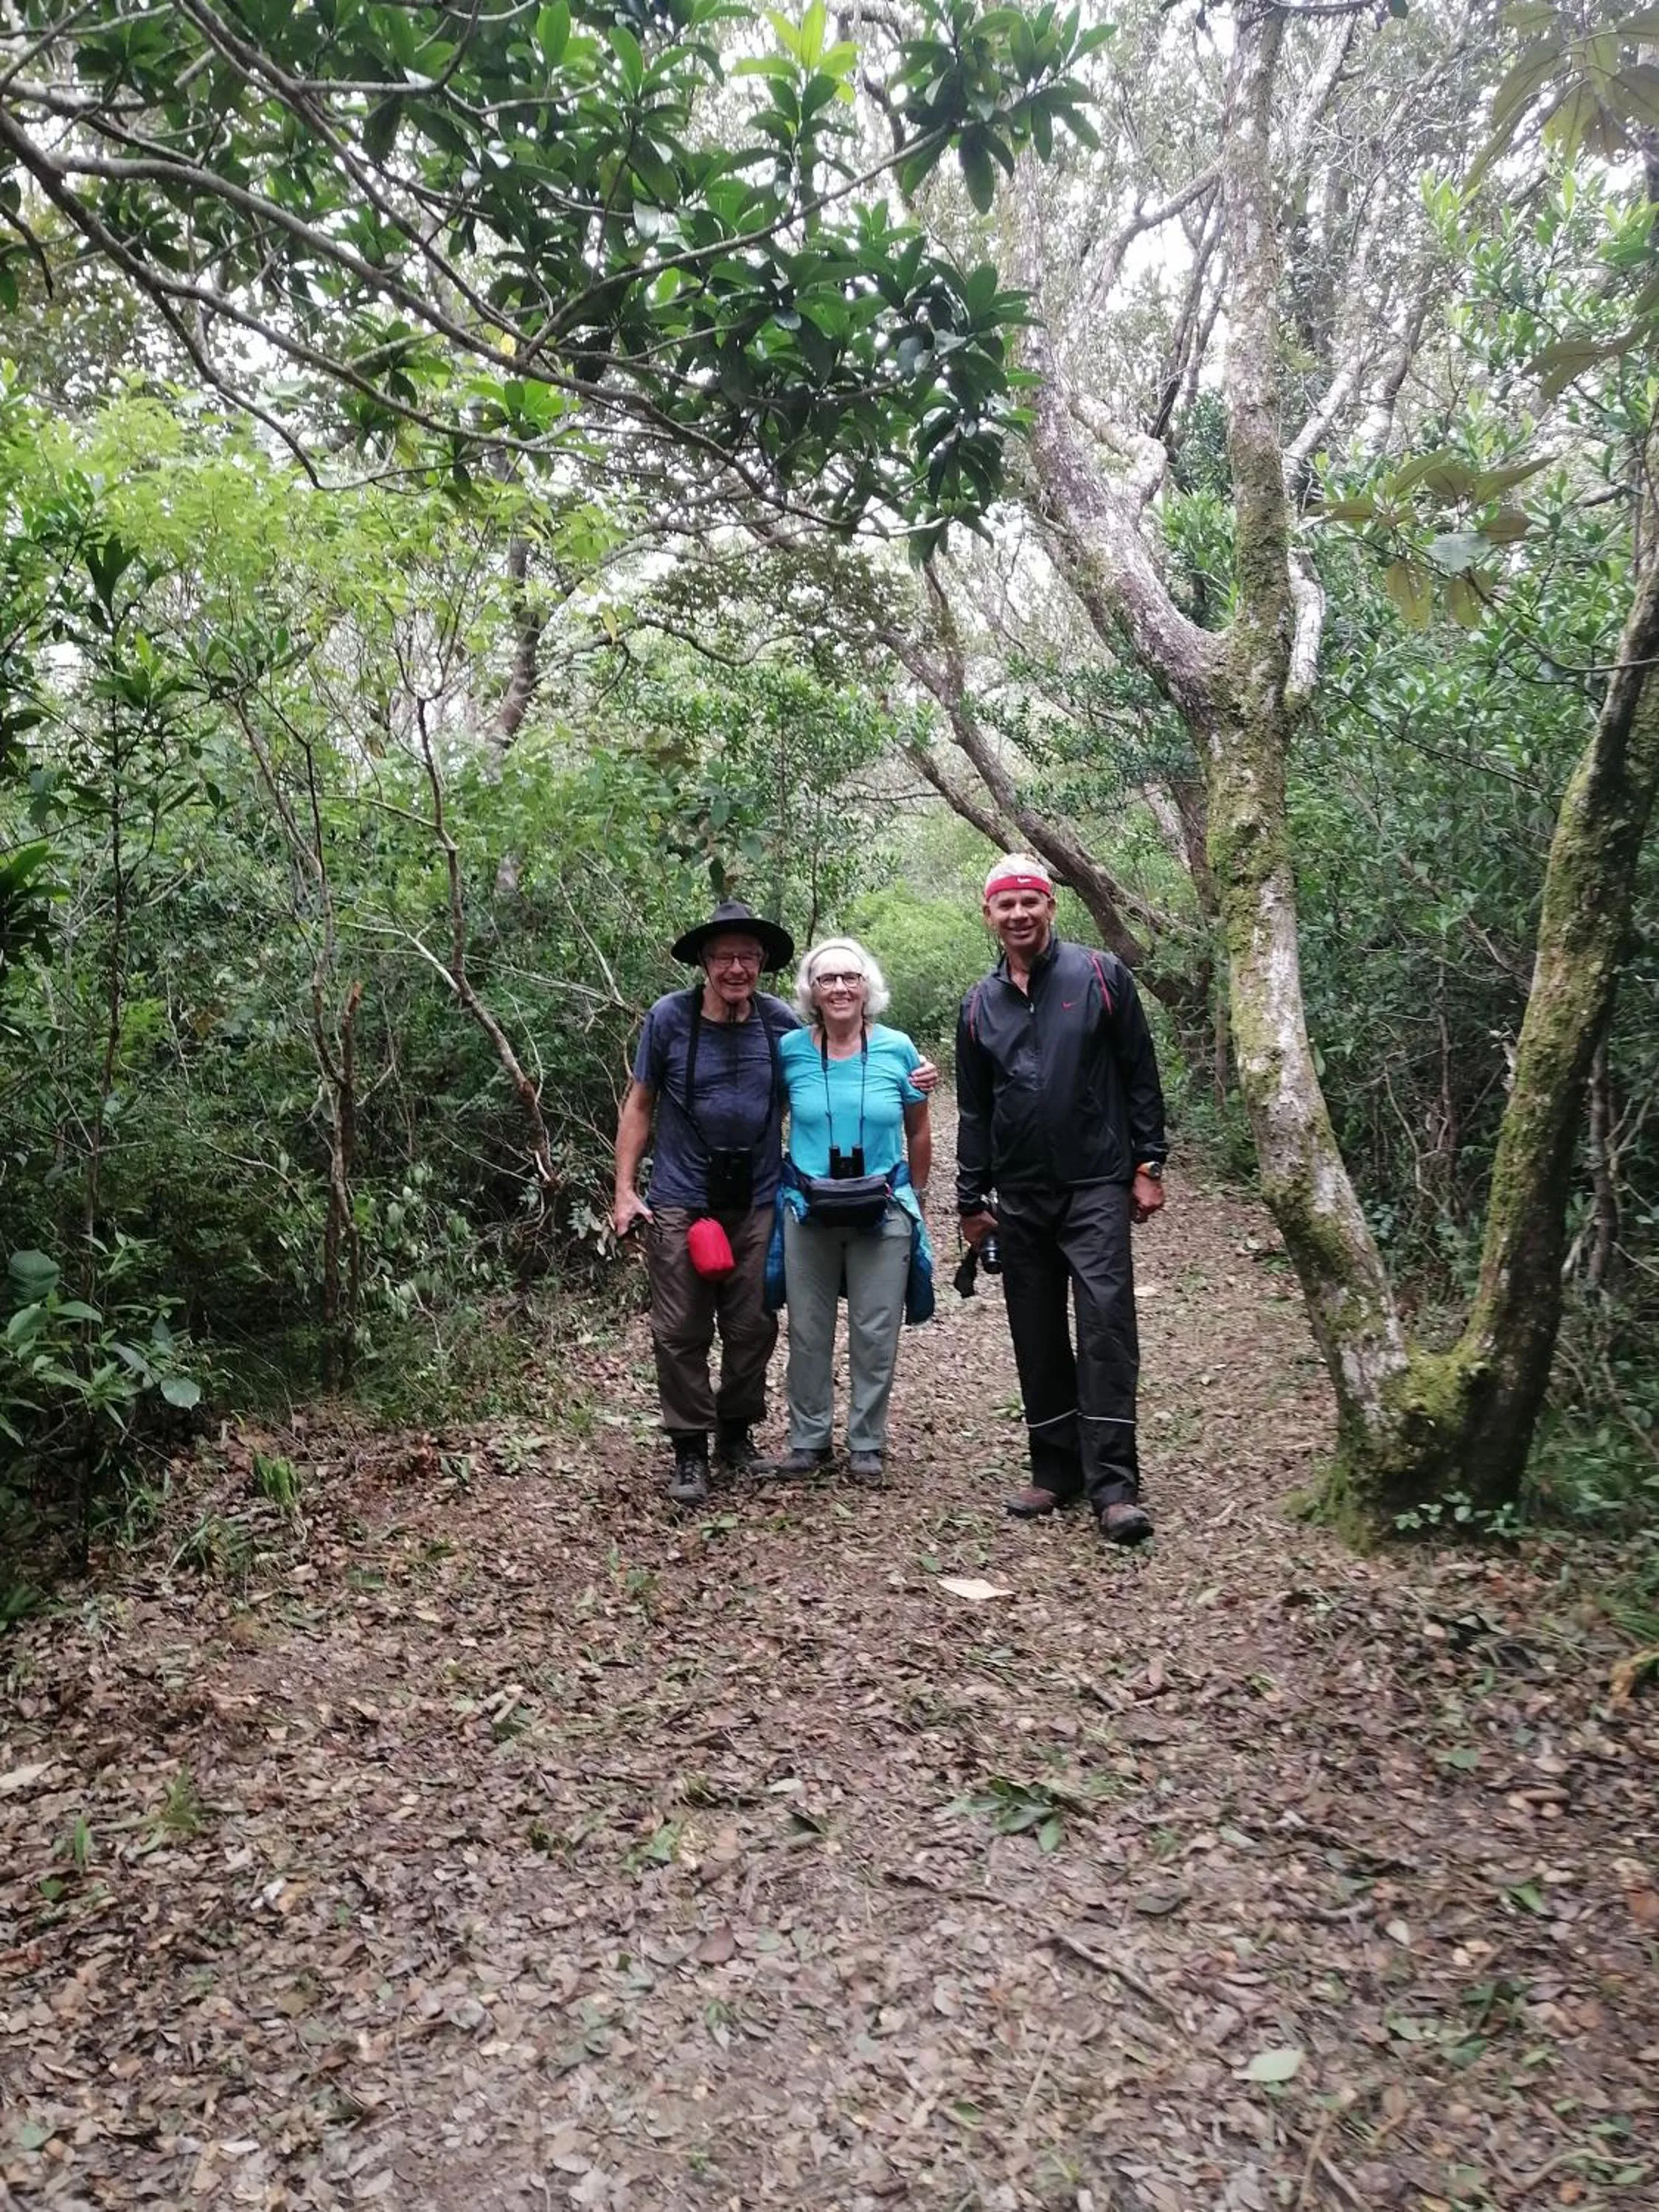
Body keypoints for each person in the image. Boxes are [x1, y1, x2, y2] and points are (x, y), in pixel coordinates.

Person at [956, 855, 1168, 1547]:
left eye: (1030, 903)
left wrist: (1147, 1163)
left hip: (1096, 1184)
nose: (1018, 915)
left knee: (1106, 1325)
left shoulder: (1103, 977)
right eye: (1004, 905)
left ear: (1051, 908)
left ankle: (1114, 1486)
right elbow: (976, 1108)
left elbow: (1140, 1075)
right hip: (1018, 1194)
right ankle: (1056, 1469)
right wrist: (970, 1196)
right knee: (1035, 1329)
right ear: (987, 917)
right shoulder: (978, 1004)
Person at [613, 899, 799, 1506]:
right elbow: (639, 1105)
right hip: (681, 1202)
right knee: (680, 1329)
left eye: (748, 956)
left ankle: (737, 1432)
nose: (737, 968)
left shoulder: (782, 1024)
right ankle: (689, 1446)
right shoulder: (669, 1018)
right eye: (724, 957)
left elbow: (834, 1076)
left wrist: (908, 1077)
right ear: (704, 962)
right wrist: (624, 1191)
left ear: (763, 961)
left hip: (760, 1199)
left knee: (753, 1327)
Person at [771, 939, 933, 1486]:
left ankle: (867, 1441)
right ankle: (808, 1439)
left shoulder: (899, 1050)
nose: (839, 988)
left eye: (850, 977)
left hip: (882, 1207)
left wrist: (917, 1197)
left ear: (867, 987)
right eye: (827, 980)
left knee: (876, 1328)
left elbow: (918, 1129)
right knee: (808, 1330)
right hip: (807, 1208)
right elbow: (763, 1114)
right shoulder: (790, 1049)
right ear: (811, 993)